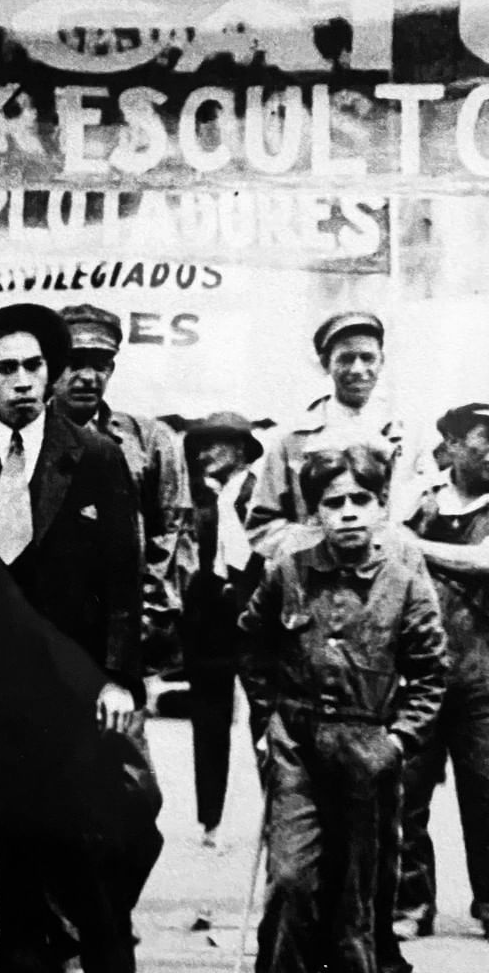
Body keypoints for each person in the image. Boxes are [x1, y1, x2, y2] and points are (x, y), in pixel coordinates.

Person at [0, 303, 161, 973]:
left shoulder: (96, 459)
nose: (25, 381)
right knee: (17, 872)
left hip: (80, 696)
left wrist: (119, 678)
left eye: (35, 366)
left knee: (95, 872)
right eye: (7, 369)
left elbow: (124, 583)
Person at [239, 445, 447, 973]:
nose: (349, 512)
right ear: (315, 514)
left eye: (361, 499)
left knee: (358, 892)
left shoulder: (403, 584)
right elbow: (253, 646)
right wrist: (267, 723)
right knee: (291, 880)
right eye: (334, 503)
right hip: (296, 746)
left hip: (367, 748)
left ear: (381, 507)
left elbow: (430, 674)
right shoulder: (288, 574)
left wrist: (398, 740)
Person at [52, 304, 193, 676]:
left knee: (119, 733)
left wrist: (143, 621)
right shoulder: (22, 439)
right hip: (41, 633)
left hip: (122, 632)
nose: (87, 377)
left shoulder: (149, 441)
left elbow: (173, 536)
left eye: (100, 364)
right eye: (74, 362)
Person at [395, 402, 489, 941]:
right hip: (419, 673)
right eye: (483, 441)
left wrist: (418, 548)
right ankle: (409, 905)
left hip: (483, 674)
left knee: (486, 790)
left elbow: (483, 561)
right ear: (452, 446)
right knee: (406, 793)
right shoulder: (419, 501)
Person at [246, 312, 435, 560]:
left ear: (382, 362)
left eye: (367, 358)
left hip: (391, 573)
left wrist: (400, 545)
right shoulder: (292, 438)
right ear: (326, 364)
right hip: (317, 579)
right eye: (346, 359)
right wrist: (321, 546)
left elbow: (429, 512)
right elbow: (262, 526)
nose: (358, 369)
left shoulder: (409, 434)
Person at [181, 412, 263, 853]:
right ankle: (209, 820)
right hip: (208, 619)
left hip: (255, 615)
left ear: (241, 450)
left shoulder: (257, 492)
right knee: (209, 720)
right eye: (201, 446)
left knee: (266, 717)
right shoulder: (199, 499)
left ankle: (281, 812)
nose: (206, 454)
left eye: (217, 444)